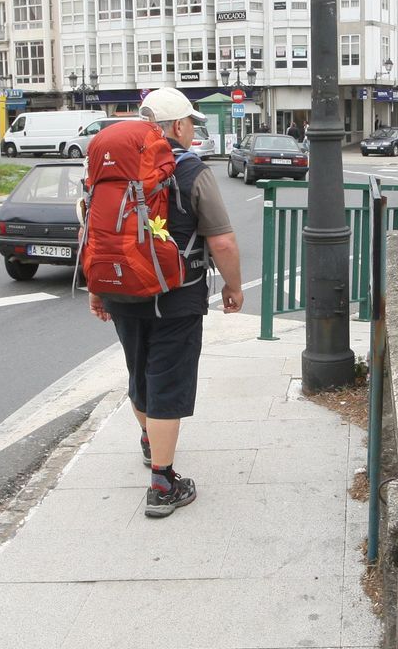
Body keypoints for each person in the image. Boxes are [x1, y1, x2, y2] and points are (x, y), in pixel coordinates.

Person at [88, 86, 243, 519]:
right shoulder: (191, 171)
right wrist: (233, 287)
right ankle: (162, 483)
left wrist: (98, 290)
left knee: (138, 370)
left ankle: (148, 437)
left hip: (120, 289)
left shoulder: (112, 169)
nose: (193, 130)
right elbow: (223, 241)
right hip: (176, 296)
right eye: (191, 122)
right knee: (167, 380)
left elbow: (97, 235)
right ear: (178, 125)